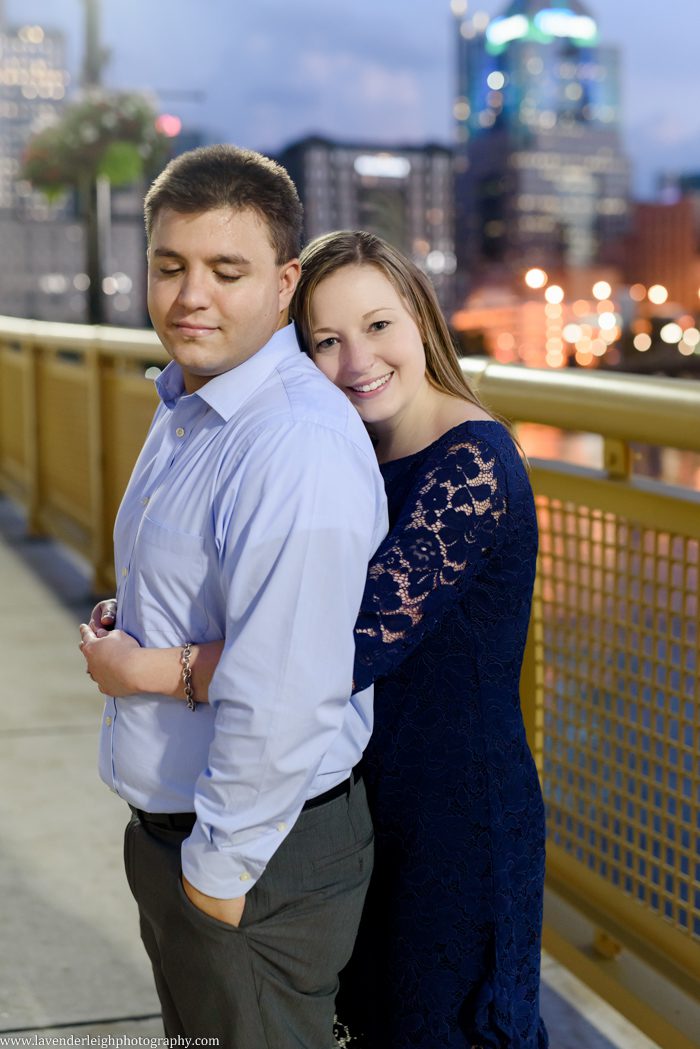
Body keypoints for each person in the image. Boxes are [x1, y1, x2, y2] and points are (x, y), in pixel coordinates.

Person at [82, 230, 548, 1048]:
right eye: (325, 340)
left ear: (423, 321)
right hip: (354, 794)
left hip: (449, 814)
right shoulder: (348, 446)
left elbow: (333, 649)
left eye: (377, 326)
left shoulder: (472, 466)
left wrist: (147, 668)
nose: (356, 358)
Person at [80, 151, 389, 1048]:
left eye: (227, 270)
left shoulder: (291, 444)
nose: (189, 296)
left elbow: (288, 692)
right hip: (185, 840)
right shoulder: (189, 402)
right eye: (170, 265)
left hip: (254, 856)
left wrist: (215, 880)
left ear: (286, 282)